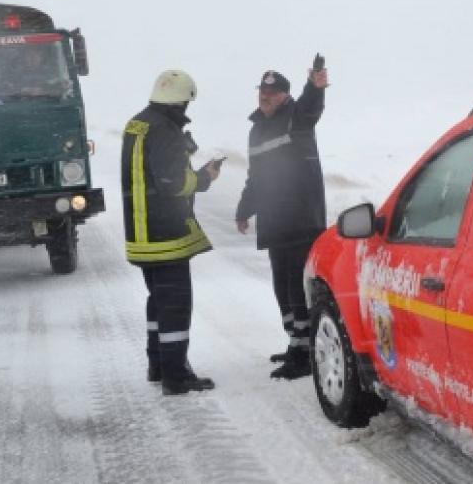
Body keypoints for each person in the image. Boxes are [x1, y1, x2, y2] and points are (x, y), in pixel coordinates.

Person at [122, 69, 223, 395]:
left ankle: (158, 364)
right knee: (176, 304)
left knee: (159, 302)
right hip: (165, 236)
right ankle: (176, 376)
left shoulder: (138, 123)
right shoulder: (164, 130)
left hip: (142, 234)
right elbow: (172, 182)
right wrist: (203, 178)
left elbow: (152, 173)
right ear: (180, 102)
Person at [235, 61, 330, 380]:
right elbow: (256, 175)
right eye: (263, 91)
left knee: (297, 286)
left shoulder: (296, 117)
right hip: (275, 220)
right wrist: (245, 208)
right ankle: (295, 341)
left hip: (301, 218)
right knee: (281, 286)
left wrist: (314, 87)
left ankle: (305, 352)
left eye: (272, 92)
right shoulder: (256, 129)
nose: (265, 95)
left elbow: (310, 108)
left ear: (285, 96)